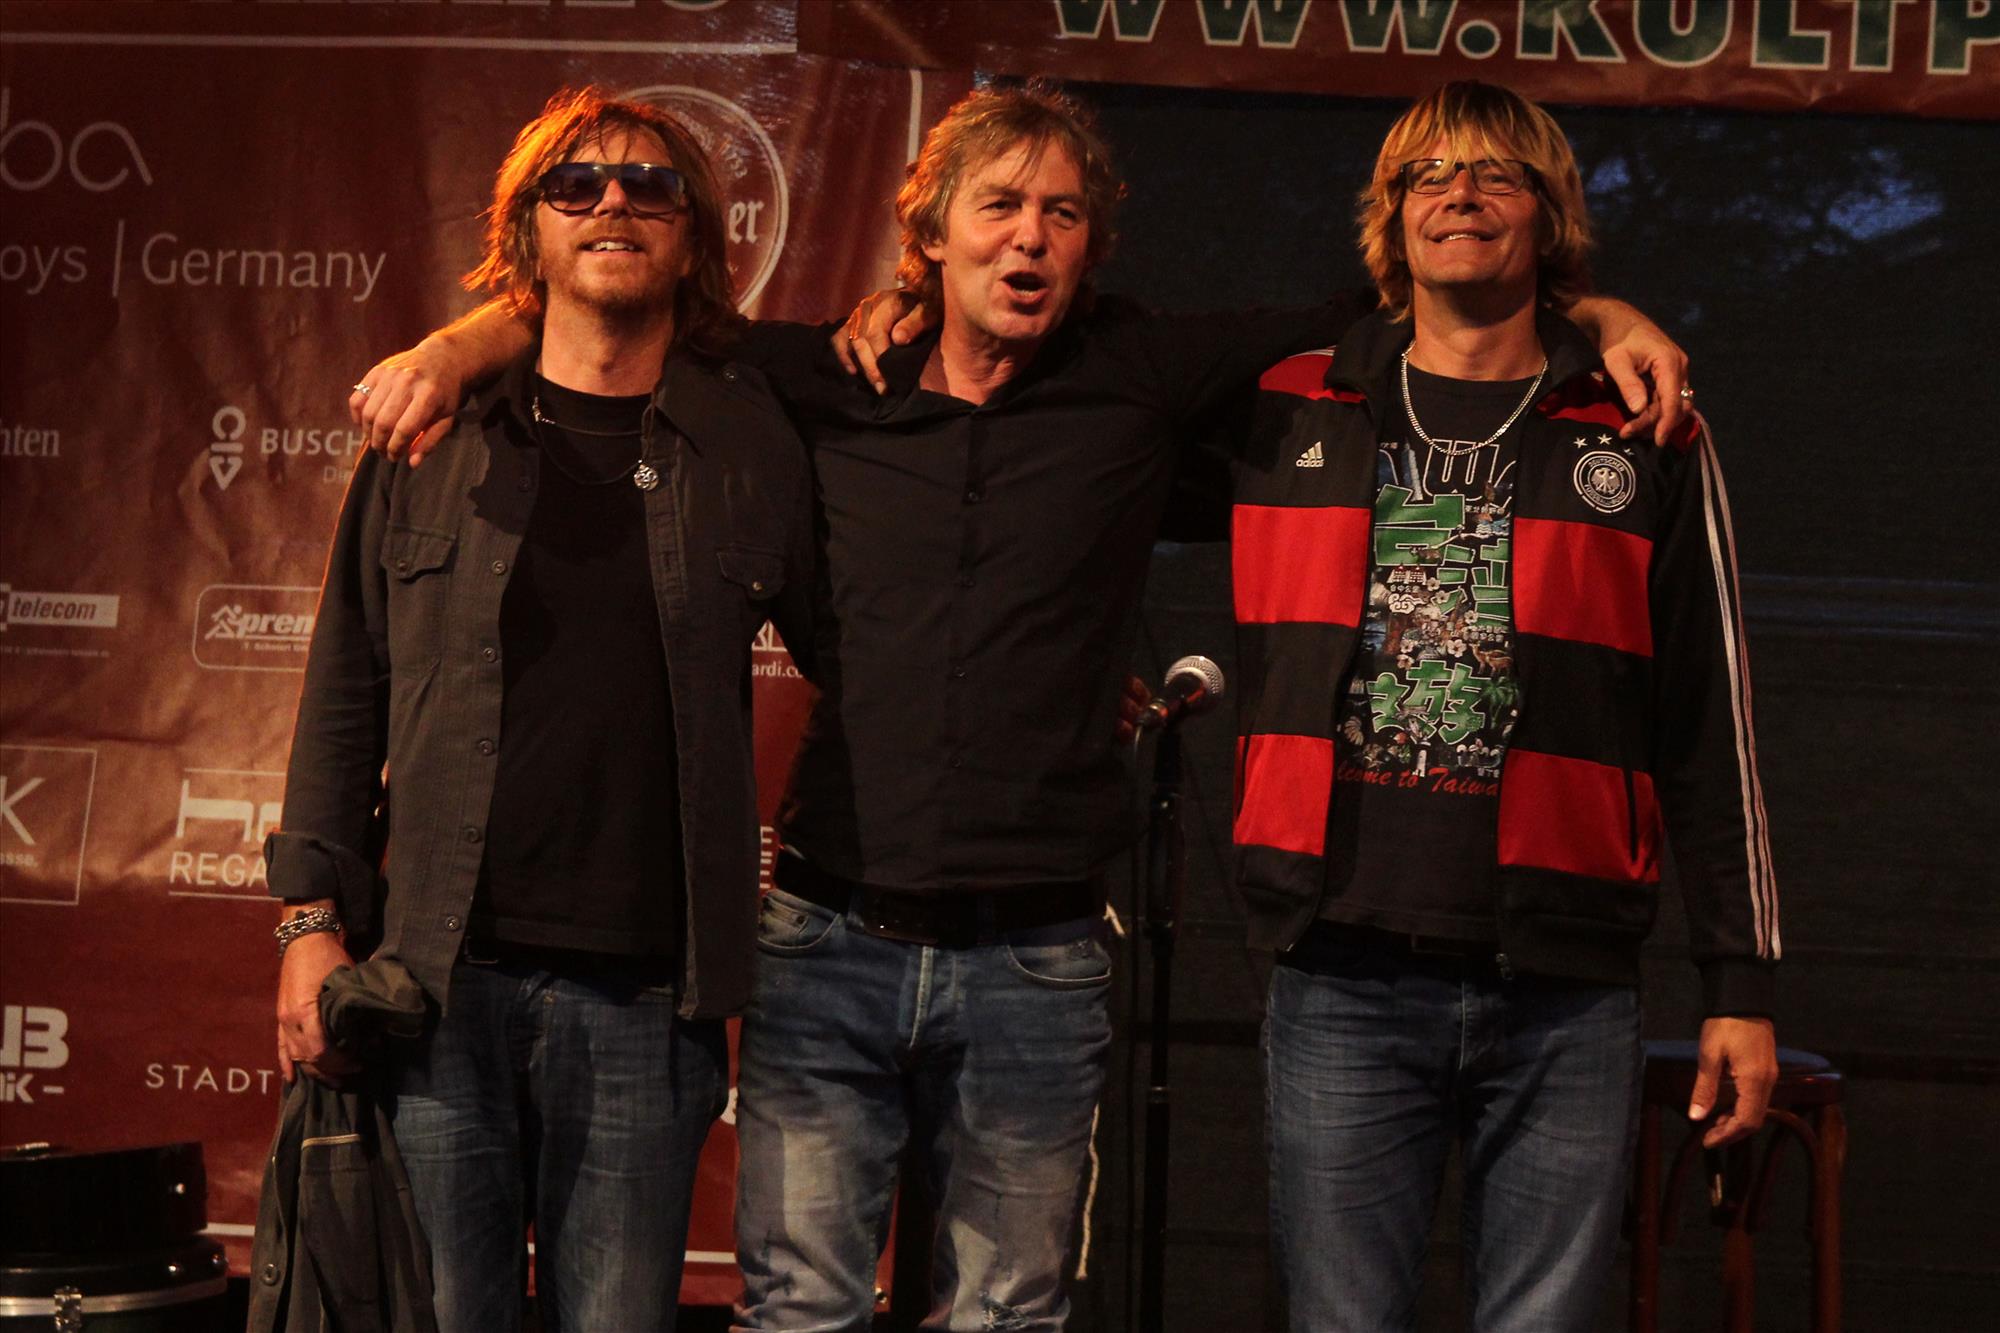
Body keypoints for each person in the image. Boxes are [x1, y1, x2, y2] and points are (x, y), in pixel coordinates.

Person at [349, 82, 1690, 1332]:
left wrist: (1603, 317)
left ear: (1092, 245)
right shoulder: (827, 381)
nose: (1030, 237)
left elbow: (1427, 293)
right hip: (827, 935)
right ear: (929, 235)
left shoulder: (1140, 372)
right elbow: (616, 307)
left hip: (1037, 963)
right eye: (998, 206)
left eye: (1062, 213)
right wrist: (459, 346)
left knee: (1005, 1315)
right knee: (802, 1308)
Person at [1230, 80, 1779, 1331]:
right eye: (1426, 174)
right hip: (1337, 965)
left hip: (1562, 984)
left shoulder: (1642, 427)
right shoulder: (1289, 402)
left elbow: (1710, 722)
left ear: (1547, 212)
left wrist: (1737, 981)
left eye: (1493, 174)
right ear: (1390, 212)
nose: (1458, 195)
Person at [266, 88, 814, 1333]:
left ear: (692, 231)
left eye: (649, 184)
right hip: (436, 988)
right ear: (529, 231)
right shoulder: (434, 436)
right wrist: (306, 920)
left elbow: (862, 636)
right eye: (577, 184)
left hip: (647, 1000)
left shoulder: (748, 442)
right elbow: (345, 686)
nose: (613, 200)